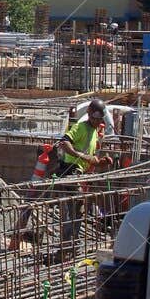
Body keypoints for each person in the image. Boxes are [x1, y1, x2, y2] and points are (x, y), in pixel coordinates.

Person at [51, 98, 108, 258]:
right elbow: (64, 142)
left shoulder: (94, 132)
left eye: (99, 119)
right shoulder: (81, 127)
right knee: (74, 212)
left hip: (79, 173)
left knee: (77, 212)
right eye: (95, 118)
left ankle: (70, 248)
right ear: (89, 114)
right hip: (70, 172)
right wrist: (80, 155)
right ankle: (66, 249)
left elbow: (90, 159)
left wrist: (101, 162)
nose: (97, 121)